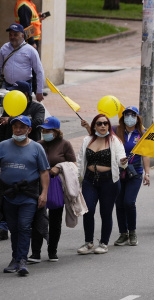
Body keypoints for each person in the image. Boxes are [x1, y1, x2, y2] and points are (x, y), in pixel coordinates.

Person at [0, 115, 50, 276]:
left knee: (23, 226)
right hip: (9, 194)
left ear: (29, 130)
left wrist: (44, 193)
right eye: (15, 127)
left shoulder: (37, 148)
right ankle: (15, 258)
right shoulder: (2, 145)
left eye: (22, 127)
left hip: (29, 195)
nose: (18, 130)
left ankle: (22, 260)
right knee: (13, 228)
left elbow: (44, 172)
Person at [27, 117, 76, 263]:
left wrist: (59, 167)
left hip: (56, 186)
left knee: (55, 219)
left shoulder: (65, 144)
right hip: (38, 186)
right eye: (43, 130)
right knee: (37, 218)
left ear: (56, 131)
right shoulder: (37, 144)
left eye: (48, 130)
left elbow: (73, 165)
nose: (44, 132)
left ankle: (52, 251)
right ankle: (35, 253)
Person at [76, 114, 127, 255]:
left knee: (106, 212)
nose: (103, 126)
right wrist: (77, 178)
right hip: (89, 180)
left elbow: (122, 161)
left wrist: (123, 162)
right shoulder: (87, 140)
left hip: (109, 181)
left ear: (109, 126)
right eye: (99, 123)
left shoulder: (115, 141)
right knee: (89, 210)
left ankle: (104, 243)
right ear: (94, 126)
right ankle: (88, 243)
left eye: (105, 123)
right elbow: (80, 160)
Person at [113, 107, 150, 247]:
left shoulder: (141, 133)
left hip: (135, 173)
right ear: (123, 117)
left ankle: (132, 232)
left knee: (129, 202)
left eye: (132, 115)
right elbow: (100, 137)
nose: (130, 117)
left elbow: (145, 154)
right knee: (119, 203)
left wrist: (147, 173)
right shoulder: (116, 131)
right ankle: (123, 233)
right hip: (118, 172)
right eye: (127, 115)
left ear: (137, 117)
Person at [0, 23, 45, 102]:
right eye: (10, 35)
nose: (12, 37)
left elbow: (39, 71)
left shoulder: (30, 50)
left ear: (22, 36)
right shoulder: (4, 48)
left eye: (15, 34)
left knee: (22, 111)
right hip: (6, 86)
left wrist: (39, 91)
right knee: (6, 111)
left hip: (24, 87)